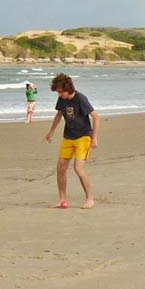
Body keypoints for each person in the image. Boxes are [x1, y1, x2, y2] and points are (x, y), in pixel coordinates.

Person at [42, 72, 98, 209]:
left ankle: (90, 198)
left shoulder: (80, 99)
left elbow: (96, 117)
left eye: (61, 92)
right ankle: (62, 199)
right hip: (68, 137)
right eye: (58, 92)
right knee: (61, 167)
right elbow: (59, 114)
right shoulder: (62, 99)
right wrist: (51, 132)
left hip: (84, 137)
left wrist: (94, 138)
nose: (59, 94)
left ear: (68, 89)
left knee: (78, 168)